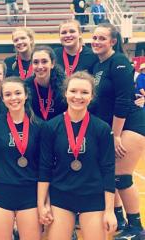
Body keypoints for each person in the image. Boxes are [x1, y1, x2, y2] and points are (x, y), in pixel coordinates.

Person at [38, 71, 117, 240]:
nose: (78, 97)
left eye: (84, 92)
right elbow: (44, 167)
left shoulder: (102, 129)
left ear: (92, 96)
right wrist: (42, 203)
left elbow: (108, 170)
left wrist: (110, 211)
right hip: (61, 196)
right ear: (65, 92)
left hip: (93, 197)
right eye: (73, 91)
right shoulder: (50, 127)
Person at [90, 23, 145, 239]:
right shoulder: (98, 65)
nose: (96, 41)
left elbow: (123, 101)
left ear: (113, 41)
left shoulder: (119, 61)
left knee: (122, 177)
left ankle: (136, 228)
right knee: (110, 176)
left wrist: (116, 135)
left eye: (102, 38)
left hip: (130, 124)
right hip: (113, 128)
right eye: (94, 37)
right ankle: (120, 219)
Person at [0, 76, 42, 240]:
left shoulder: (40, 126)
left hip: (29, 194)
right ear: (3, 98)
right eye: (8, 94)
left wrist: (44, 200)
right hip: (1, 193)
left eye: (18, 93)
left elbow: (43, 167)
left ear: (26, 95)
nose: (13, 98)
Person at [26, 46, 67, 121]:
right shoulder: (25, 86)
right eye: (35, 62)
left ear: (52, 64)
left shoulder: (64, 86)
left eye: (44, 61)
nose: (40, 66)